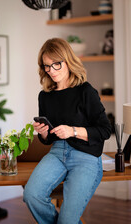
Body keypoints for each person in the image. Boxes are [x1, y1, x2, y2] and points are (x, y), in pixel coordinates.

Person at [23, 38, 111, 224]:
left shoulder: (85, 91)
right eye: (47, 66)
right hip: (56, 153)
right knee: (32, 195)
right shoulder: (45, 96)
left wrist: (73, 131)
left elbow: (104, 130)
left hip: (86, 157)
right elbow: (47, 140)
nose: (51, 71)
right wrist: (44, 132)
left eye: (56, 64)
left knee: (68, 219)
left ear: (68, 60)